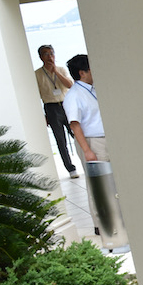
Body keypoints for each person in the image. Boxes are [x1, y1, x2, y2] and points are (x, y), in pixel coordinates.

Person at [62, 54, 114, 236]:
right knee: (98, 184)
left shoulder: (95, 89)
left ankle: (114, 219)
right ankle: (101, 224)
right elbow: (74, 125)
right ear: (82, 73)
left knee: (110, 182)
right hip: (91, 141)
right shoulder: (74, 95)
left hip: (105, 139)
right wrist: (87, 150)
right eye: (91, 68)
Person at [33, 44, 78, 178]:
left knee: (77, 134)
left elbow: (70, 85)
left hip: (66, 105)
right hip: (51, 108)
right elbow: (36, 95)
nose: (50, 57)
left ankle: (88, 161)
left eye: (52, 53)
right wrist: (43, 115)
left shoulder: (61, 69)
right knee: (60, 140)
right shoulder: (37, 74)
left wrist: (56, 72)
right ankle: (71, 169)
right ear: (41, 57)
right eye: (46, 54)